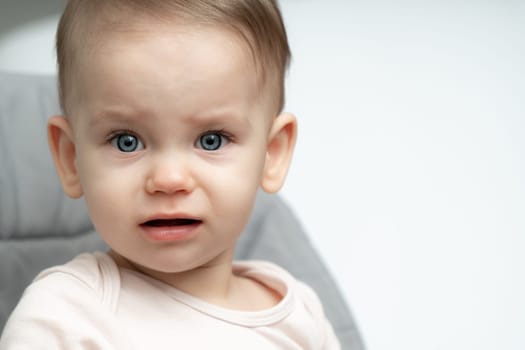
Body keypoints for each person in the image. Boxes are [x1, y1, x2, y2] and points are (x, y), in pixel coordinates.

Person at [0, 0, 341, 348]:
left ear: (272, 154)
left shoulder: (301, 315)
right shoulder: (64, 317)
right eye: (127, 142)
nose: (169, 179)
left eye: (211, 140)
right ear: (71, 158)